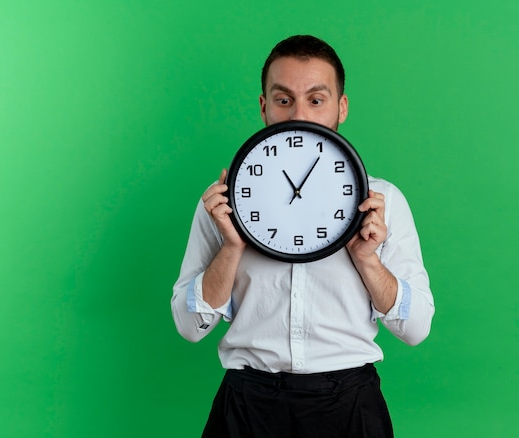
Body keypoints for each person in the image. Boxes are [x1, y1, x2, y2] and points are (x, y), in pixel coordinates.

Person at [171, 35, 435, 438]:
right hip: (248, 405)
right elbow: (190, 328)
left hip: (349, 405)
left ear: (341, 107)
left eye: (316, 100)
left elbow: (416, 330)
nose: (298, 115)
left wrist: (367, 258)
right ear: (263, 107)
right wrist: (231, 248)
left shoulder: (382, 201)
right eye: (283, 100)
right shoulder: (223, 204)